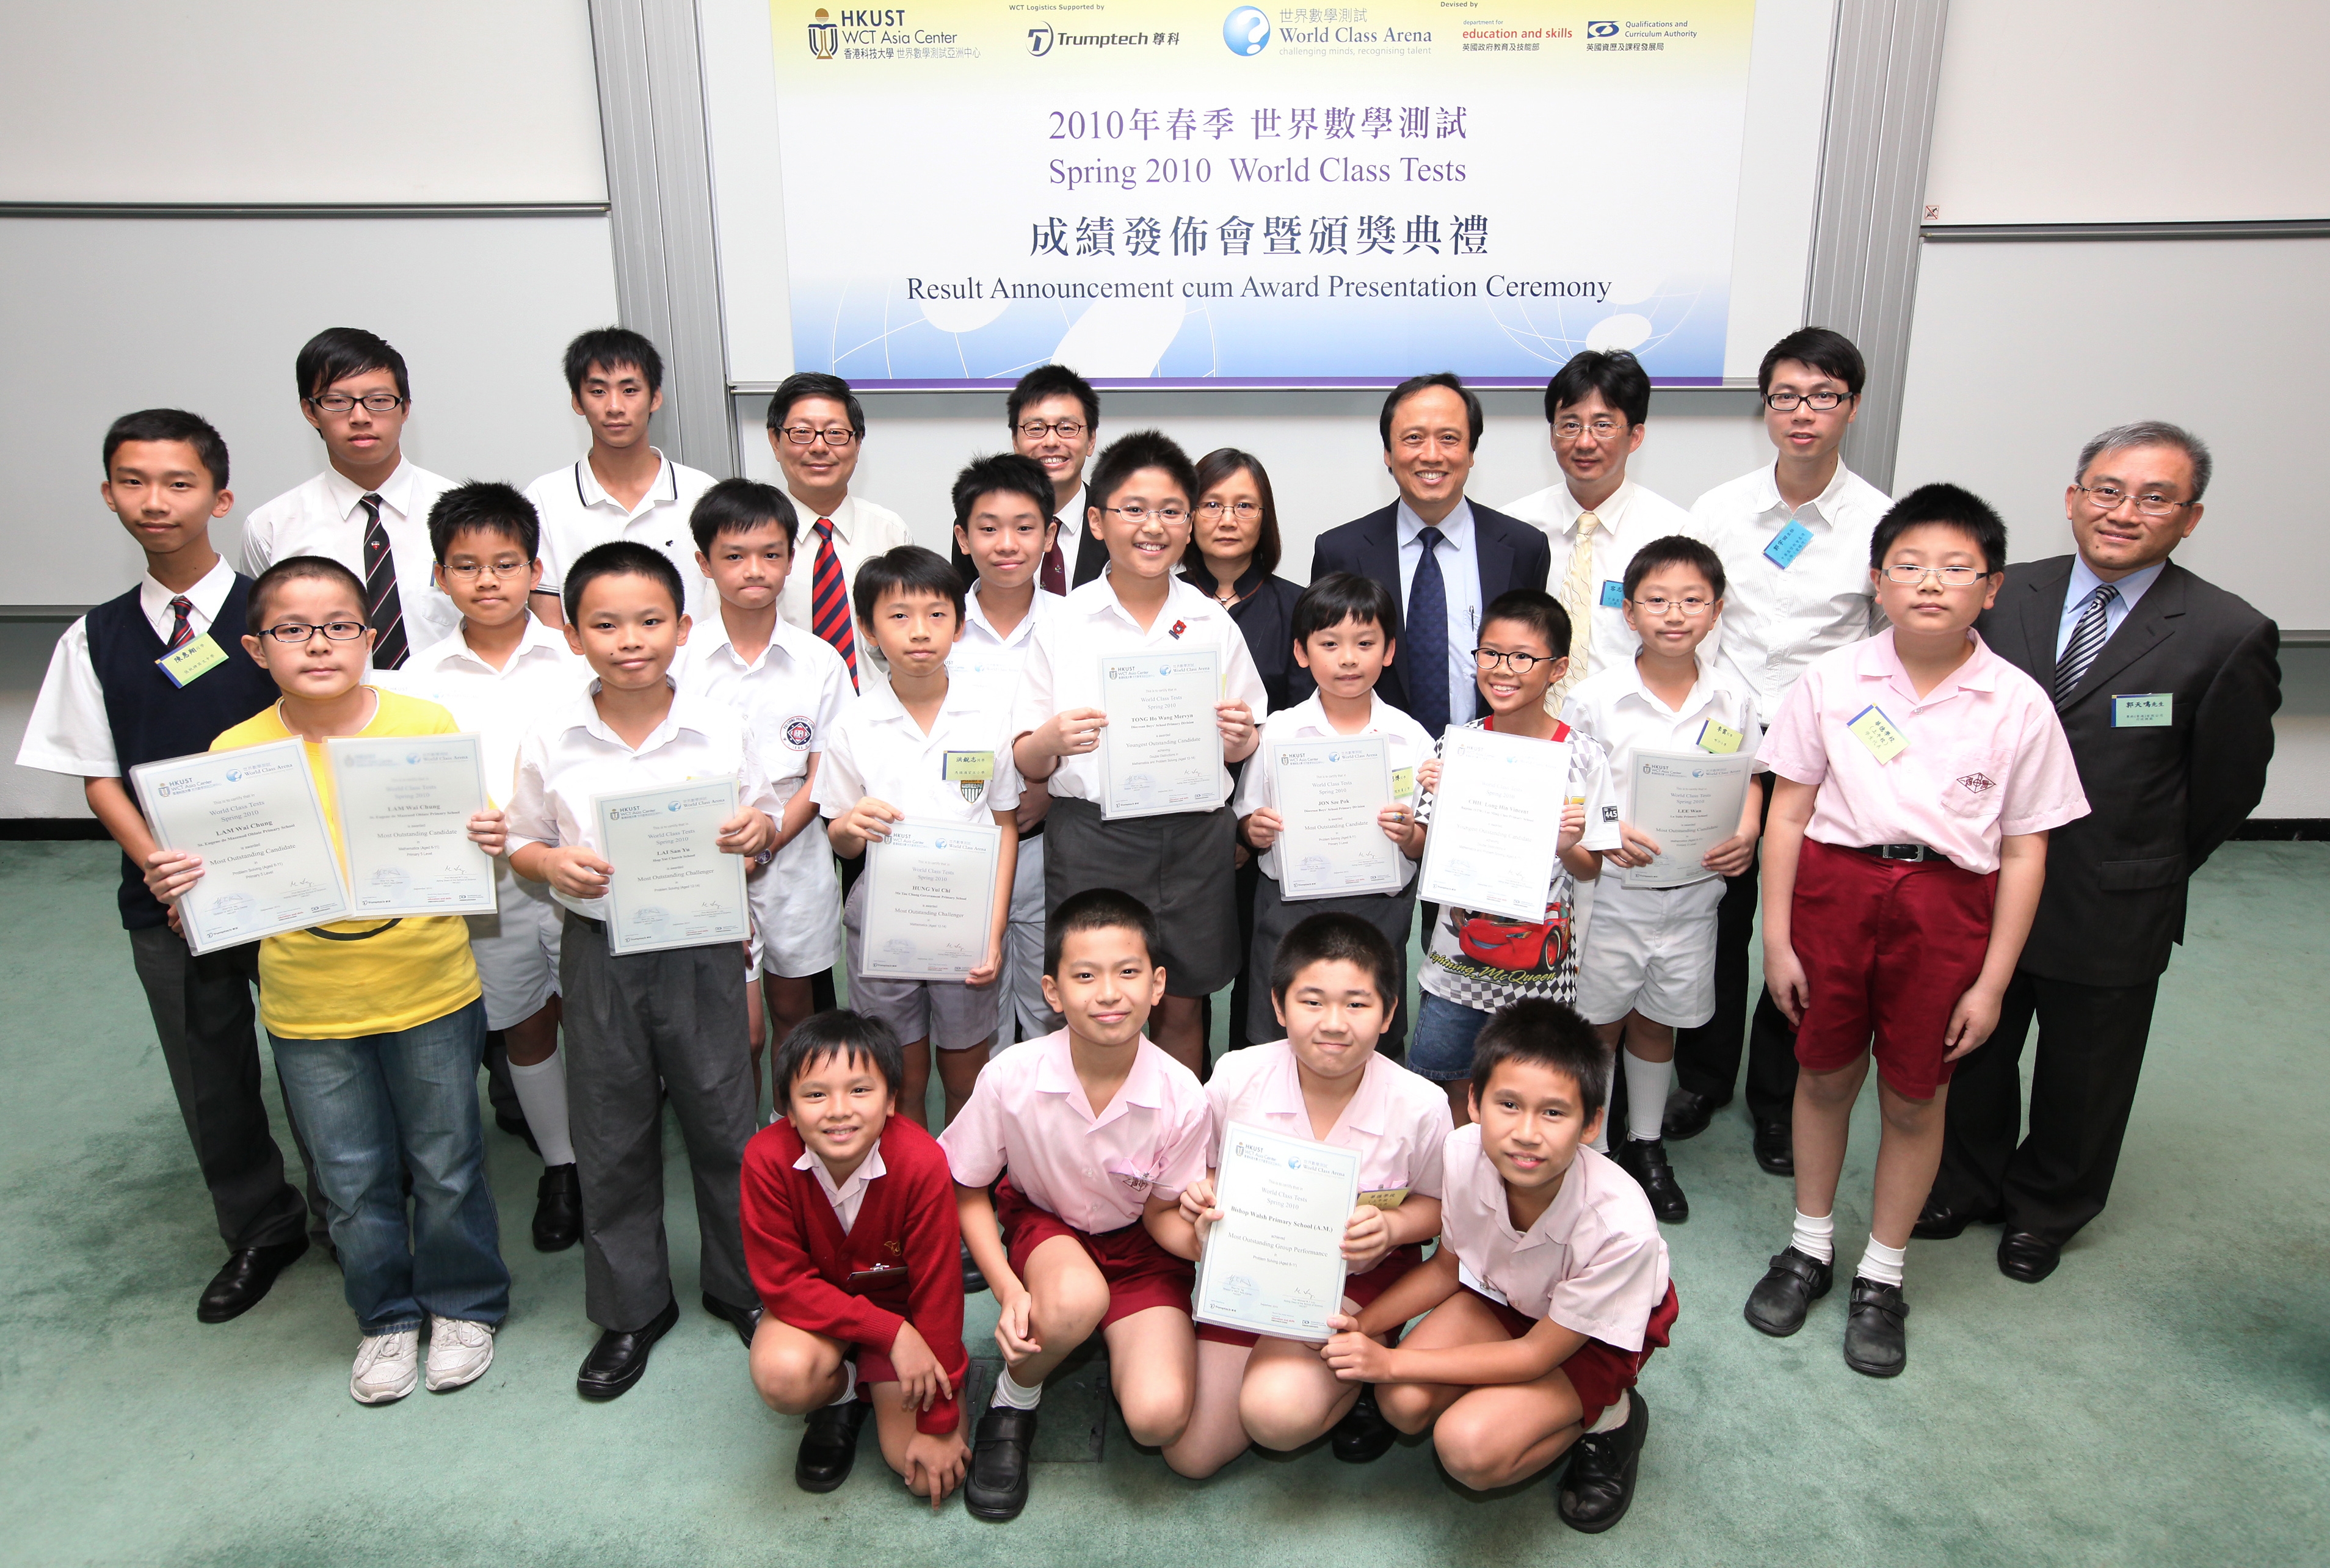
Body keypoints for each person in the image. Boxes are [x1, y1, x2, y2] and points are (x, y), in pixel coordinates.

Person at [143, 556, 510, 1404]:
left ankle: (465, 1303)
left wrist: (484, 837)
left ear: (369, 637)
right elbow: (225, 888)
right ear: (255, 648)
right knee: (348, 1178)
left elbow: (461, 845)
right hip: (308, 1002)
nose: (319, 645)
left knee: (449, 1158)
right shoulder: (235, 754)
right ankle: (384, 1316)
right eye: (291, 630)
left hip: (428, 982)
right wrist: (189, 895)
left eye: (340, 625)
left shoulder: (424, 725)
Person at [1742, 484, 2088, 1378]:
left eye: (1955, 569)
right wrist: (1776, 942)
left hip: (1947, 908)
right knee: (1821, 1077)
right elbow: (1786, 816)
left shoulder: (2018, 705)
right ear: (1878, 580)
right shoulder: (1833, 681)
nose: (1930, 584)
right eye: (1909, 567)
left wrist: (1993, 981)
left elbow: (2025, 853)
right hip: (1837, 892)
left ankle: (1882, 1273)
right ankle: (1809, 1247)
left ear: (1992, 587)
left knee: (1915, 1095)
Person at [1922, 422, 2279, 1282]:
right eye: (2108, 490)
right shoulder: (2002, 597)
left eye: (2155, 497)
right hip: (1979, 874)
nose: (2125, 512)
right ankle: (1966, 1182)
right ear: (2074, 499)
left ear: (2189, 518)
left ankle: (2048, 1208)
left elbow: (2228, 786)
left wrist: (2147, 861)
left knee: (2088, 1068)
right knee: (1972, 1045)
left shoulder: (2227, 631)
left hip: (2113, 891)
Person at [16, 409, 318, 1323]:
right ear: (109, 495)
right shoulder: (94, 637)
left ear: (220, 498)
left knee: (321, 1054)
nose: (157, 501)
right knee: (208, 1066)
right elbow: (97, 777)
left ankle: (353, 1217)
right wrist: (161, 869)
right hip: (172, 897)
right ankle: (261, 1228)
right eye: (135, 482)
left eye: (178, 483)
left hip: (294, 878)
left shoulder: (283, 611)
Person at [506, 542, 783, 1398]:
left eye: (651, 621)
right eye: (607, 623)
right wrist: (551, 868)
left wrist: (755, 835)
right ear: (573, 632)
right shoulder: (552, 738)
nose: (632, 640)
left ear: (683, 627)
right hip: (600, 954)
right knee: (611, 1130)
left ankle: (744, 1288)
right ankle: (631, 1309)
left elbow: (768, 813)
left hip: (703, 950)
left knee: (726, 1125)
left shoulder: (721, 726)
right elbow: (521, 839)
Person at [1665, 328, 1893, 1177]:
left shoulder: (1878, 521)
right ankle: (1704, 1076)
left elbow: (1883, 648)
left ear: (1852, 407)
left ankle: (1776, 1098)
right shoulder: (1719, 511)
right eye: (1788, 396)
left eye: (1825, 396)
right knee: (1713, 918)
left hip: (1822, 765)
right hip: (1723, 750)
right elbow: (1689, 621)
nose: (1805, 413)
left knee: (1800, 932)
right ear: (1765, 407)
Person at [1325, 1000, 1676, 1533]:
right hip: (1505, 1295)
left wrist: (1389, 1362)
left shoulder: (1621, 1228)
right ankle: (1505, 1399)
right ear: (1474, 1102)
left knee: (1467, 1449)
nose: (1527, 1133)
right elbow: (1447, 1270)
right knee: (1401, 1405)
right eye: (1508, 1104)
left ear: (1591, 1124)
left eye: (1554, 1112)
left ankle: (1611, 1418)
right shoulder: (1463, 1151)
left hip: (1585, 1334)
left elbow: (1535, 1354)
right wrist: (1361, 1328)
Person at [940, 889, 1213, 1522]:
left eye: (1128, 972)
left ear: (1157, 985)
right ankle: (1014, 1399)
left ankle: (1109, 1343)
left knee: (1157, 1417)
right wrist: (1009, 1289)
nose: (1108, 993)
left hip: (1145, 1248)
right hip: (1049, 1228)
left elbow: (1168, 1217)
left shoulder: (1183, 1095)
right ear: (1053, 991)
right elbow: (967, 1188)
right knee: (1074, 1300)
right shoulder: (1011, 1075)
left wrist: (1209, 1230)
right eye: (1084, 976)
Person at [1010, 431, 1266, 1074]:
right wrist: (1050, 741)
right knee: (1097, 1006)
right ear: (1097, 521)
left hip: (1195, 841)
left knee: (1182, 1005)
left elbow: (1249, 732)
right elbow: (1025, 759)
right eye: (1133, 509)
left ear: (1189, 525)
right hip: (1094, 838)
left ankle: (1176, 1156)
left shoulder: (1213, 621)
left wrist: (1241, 740)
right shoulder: (1062, 625)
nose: (1153, 526)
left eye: (1172, 510)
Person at [1163, 913, 1451, 1478]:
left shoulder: (1420, 1104)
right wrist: (1201, 1199)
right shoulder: (1236, 1075)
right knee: (1190, 1456)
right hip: (1248, 1275)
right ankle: (1290, 1363)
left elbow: (1439, 1208)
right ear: (1278, 1006)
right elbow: (1202, 1172)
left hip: (1355, 1287)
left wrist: (1393, 1228)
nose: (1334, 1024)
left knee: (1276, 1414)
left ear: (1390, 1013)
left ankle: (1349, 1385)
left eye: (1358, 1004)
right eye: (1312, 1002)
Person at [383, 482, 592, 1250]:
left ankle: (604, 1158)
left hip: (578, 876)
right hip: (488, 889)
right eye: (466, 566)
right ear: (439, 577)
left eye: (505, 564)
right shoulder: (418, 680)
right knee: (526, 1025)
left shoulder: (576, 660)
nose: (488, 581)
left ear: (535, 567)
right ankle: (562, 1165)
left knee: (594, 1020)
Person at [1559, 537, 1763, 1224]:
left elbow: (1752, 779)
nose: (1674, 615)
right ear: (1629, 613)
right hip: (1610, 898)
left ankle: (1646, 1146)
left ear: (1717, 611)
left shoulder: (1734, 699)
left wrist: (1749, 833)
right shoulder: (1596, 700)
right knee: (1600, 1024)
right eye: (1657, 601)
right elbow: (1576, 791)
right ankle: (1596, 1154)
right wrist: (1608, 831)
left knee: (1658, 1022)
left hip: (1693, 897)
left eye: (1692, 601)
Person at [816, 545, 1022, 1130]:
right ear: (868, 630)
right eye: (898, 616)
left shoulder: (988, 717)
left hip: (967, 922)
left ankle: (962, 1188)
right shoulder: (854, 725)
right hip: (885, 923)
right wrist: (850, 829)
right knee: (898, 1079)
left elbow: (1004, 824)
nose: (919, 632)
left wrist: (994, 927)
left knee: (967, 1077)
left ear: (960, 626)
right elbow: (840, 839)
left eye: (937, 614)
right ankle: (909, 1195)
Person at [1407, 590, 1621, 1122]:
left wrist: (1567, 846)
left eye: (1523, 657)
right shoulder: (1455, 745)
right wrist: (1407, 824)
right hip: (1455, 966)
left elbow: (1591, 868)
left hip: (1541, 976)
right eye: (1490, 653)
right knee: (1446, 1090)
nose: (1503, 670)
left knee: (1529, 1093)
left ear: (1558, 669)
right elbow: (1422, 849)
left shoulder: (1585, 758)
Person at [742, 1012, 971, 1501]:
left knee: (922, 1471)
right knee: (783, 1376)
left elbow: (940, 1292)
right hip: (820, 1315)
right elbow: (784, 1284)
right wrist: (889, 1334)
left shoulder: (922, 1161)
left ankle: (884, 1378)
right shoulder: (766, 1159)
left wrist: (940, 1421)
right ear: (788, 1107)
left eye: (860, 1091)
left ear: (892, 1100)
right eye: (816, 1094)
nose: (838, 1110)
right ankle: (845, 1390)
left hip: (905, 1312)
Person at [677, 479, 853, 1105]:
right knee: (740, 1032)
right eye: (734, 555)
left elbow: (827, 771)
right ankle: (741, 1148)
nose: (755, 570)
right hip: (706, 861)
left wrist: (774, 836)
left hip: (796, 854)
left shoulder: (819, 660)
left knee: (793, 1013)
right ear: (703, 563)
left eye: (771, 553)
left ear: (791, 559)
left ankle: (790, 1136)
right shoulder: (679, 658)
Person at [1233, 573, 1431, 1058]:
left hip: (1379, 911)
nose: (1348, 658)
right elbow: (1245, 821)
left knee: (1373, 1037)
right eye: (1330, 643)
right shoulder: (1278, 733)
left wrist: (1409, 836)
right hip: (1290, 911)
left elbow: (1428, 841)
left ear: (1388, 651)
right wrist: (1253, 831)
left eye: (1365, 643)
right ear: (1302, 652)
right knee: (1281, 1036)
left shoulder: (1411, 738)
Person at [1309, 372, 1553, 737]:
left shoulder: (1523, 548)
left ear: (1471, 454)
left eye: (1449, 439)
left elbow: (1532, 663)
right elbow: (1323, 665)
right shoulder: (1340, 550)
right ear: (1388, 454)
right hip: (1379, 761)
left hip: (1491, 763)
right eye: (1413, 439)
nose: (1432, 455)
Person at [1188, 446, 1313, 1048]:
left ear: (1266, 519)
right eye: (1212, 504)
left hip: (1265, 824)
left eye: (1245, 505)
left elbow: (1305, 727)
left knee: (1261, 974)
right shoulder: (1165, 600)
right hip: (1177, 825)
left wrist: (1244, 827)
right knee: (1180, 982)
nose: (1228, 519)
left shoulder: (1297, 607)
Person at [241, 328, 458, 667]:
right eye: (338, 401)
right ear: (311, 411)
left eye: (379, 400)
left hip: (453, 715)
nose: (360, 417)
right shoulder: (271, 526)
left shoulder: (462, 511)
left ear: (405, 409)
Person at [947, 454, 1067, 1045]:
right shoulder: (935, 627)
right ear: (961, 536)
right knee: (976, 1020)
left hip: (1053, 844)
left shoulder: (1076, 625)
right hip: (962, 847)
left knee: (1051, 1010)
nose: (1006, 544)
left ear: (1049, 536)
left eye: (1024, 527)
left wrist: (1047, 790)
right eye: (988, 527)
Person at [1500, 350, 1697, 705]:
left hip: (1629, 730)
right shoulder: (1512, 530)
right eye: (1570, 424)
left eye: (1603, 425)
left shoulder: (1675, 535)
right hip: (1529, 736)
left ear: (1635, 436)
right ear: (1552, 434)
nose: (1585, 441)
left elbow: (1694, 654)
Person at [523, 327, 717, 627]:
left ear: (655, 398)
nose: (614, 407)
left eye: (629, 390)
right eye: (598, 391)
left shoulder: (702, 493)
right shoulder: (544, 498)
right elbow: (550, 629)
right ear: (577, 401)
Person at [766, 372, 913, 692]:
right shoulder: (750, 539)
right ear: (775, 442)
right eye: (802, 433)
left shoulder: (889, 533)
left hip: (879, 717)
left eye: (835, 434)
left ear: (858, 443)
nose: (819, 447)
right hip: (784, 718)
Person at [1010, 363, 1105, 590]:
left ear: (1091, 440)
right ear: (1015, 441)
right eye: (1035, 428)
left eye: (1067, 427)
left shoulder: (1117, 522)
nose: (1051, 442)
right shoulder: (983, 526)